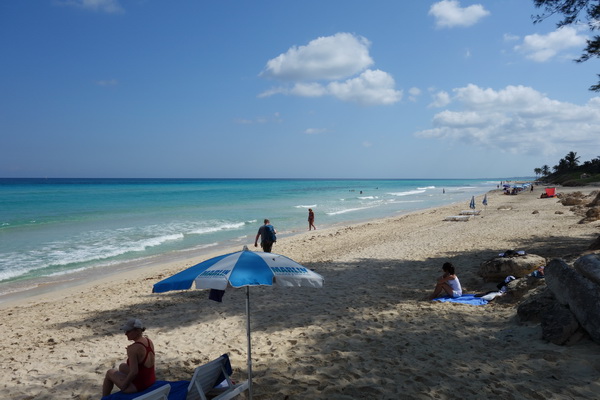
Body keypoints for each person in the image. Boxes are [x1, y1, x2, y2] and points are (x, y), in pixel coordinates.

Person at [102, 318, 156, 397]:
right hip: (151, 379)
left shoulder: (133, 348)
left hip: (140, 386)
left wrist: (124, 385)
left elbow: (134, 372)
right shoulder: (148, 341)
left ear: (137, 331)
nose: (125, 334)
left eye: (128, 331)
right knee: (122, 366)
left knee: (109, 373)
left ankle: (104, 398)